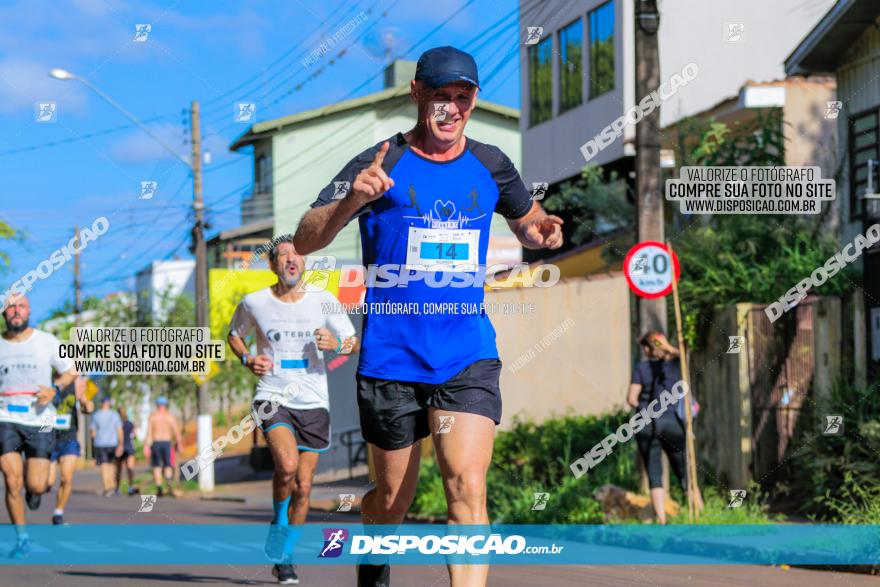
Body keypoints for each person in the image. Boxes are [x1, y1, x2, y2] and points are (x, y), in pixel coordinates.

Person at [293, 46, 563, 587]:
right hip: (392, 358)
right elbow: (304, 238)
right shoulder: (381, 161)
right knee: (391, 500)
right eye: (441, 96)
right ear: (417, 94)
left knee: (466, 483)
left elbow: (528, 219)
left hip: (466, 353)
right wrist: (351, 201)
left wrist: (541, 230)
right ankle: (373, 560)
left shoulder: (491, 164)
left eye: (462, 98)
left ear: (474, 100)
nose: (451, 109)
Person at [228, 235, 359, 586]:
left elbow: (352, 341)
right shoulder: (254, 302)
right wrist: (247, 358)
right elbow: (234, 335)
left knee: (303, 485)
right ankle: (278, 526)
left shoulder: (324, 301)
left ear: (304, 264)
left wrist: (337, 344)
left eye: (296, 254)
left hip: (314, 401)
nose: (290, 258)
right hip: (272, 396)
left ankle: (285, 557)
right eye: (282, 254)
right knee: (286, 465)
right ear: (272, 265)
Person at [0, 294, 77, 557]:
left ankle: (35, 490)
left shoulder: (46, 341)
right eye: (10, 307)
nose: (16, 311)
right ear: (4, 313)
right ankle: (22, 538)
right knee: (12, 481)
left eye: (20, 306)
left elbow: (71, 370)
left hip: (42, 418)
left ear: (29, 311)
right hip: (6, 418)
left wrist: (55, 389)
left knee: (35, 484)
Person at [627, 331, 703, 524]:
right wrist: (668, 348)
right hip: (672, 423)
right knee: (684, 470)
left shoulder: (641, 368)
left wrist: (644, 406)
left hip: (645, 423)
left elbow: (631, 399)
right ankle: (700, 513)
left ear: (646, 349)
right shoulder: (676, 366)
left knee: (654, 472)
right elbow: (683, 355)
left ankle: (661, 520)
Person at [47, 375, 94, 525]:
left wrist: (86, 403)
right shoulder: (47, 380)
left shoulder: (77, 383)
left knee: (67, 478)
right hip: (49, 435)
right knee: (46, 483)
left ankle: (58, 512)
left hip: (70, 436)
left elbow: (88, 406)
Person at [144, 396, 182, 497]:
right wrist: (179, 443)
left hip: (156, 443)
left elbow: (149, 433)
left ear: (157, 405)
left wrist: (146, 446)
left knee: (157, 466)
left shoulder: (153, 416)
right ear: (166, 405)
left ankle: (159, 487)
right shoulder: (170, 416)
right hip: (166, 443)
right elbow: (176, 431)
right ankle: (168, 484)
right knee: (168, 465)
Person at [90, 396, 123, 496]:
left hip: (100, 443)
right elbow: (119, 430)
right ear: (108, 403)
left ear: (101, 403)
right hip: (112, 443)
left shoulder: (96, 415)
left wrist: (93, 442)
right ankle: (112, 486)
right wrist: (121, 444)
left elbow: (93, 432)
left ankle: (107, 487)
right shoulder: (115, 415)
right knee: (112, 464)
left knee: (104, 465)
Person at [116, 406, 137, 495]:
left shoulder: (116, 423)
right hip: (129, 447)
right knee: (130, 468)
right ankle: (130, 487)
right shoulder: (130, 423)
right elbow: (135, 435)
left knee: (119, 469)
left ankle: (117, 488)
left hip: (119, 447)